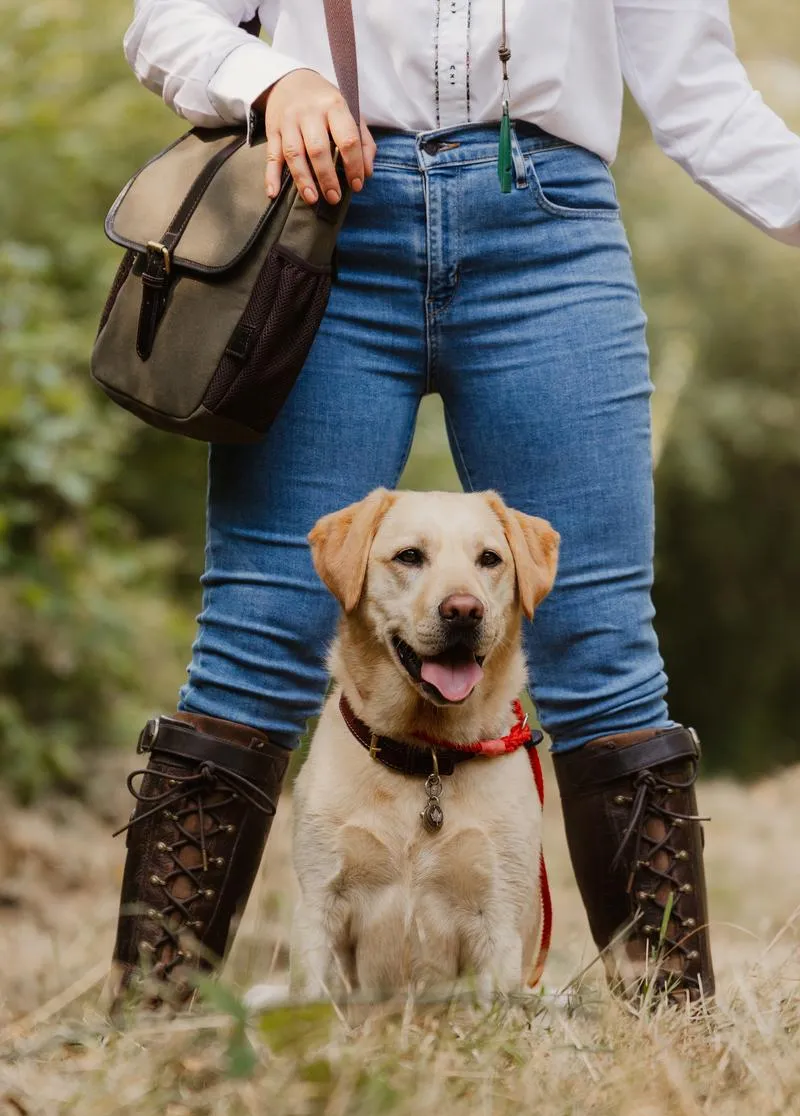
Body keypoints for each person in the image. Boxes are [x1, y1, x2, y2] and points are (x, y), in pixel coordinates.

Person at [107, 0, 800, 1009]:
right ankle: (147, 1031)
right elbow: (164, 23)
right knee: (255, 638)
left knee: (604, 653)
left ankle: (678, 1042)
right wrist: (276, 79)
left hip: (550, 239)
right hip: (323, 224)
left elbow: (697, 92)